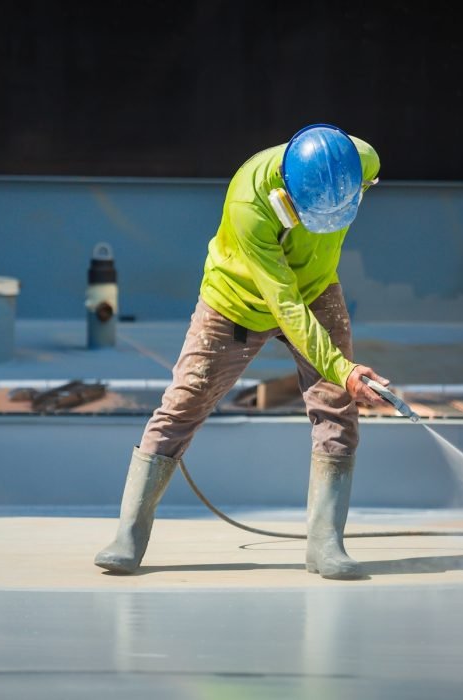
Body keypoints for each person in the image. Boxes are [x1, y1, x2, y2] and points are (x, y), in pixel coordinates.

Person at [94, 123, 390, 580]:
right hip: (236, 302)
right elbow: (285, 305)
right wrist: (342, 368)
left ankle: (326, 544)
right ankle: (128, 536)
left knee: (337, 409)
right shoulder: (249, 202)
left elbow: (299, 298)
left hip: (316, 289)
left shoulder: (360, 160)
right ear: (288, 194)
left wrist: (341, 379)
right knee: (182, 405)